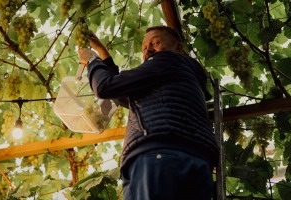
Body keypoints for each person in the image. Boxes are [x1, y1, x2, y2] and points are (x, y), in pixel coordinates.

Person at [78, 25, 220, 200]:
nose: (148, 50)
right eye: (144, 48)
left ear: (178, 48)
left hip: (159, 157)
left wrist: (92, 61)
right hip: (196, 162)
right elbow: (123, 94)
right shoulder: (180, 77)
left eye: (156, 42)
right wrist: (102, 51)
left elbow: (105, 87)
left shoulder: (166, 61)